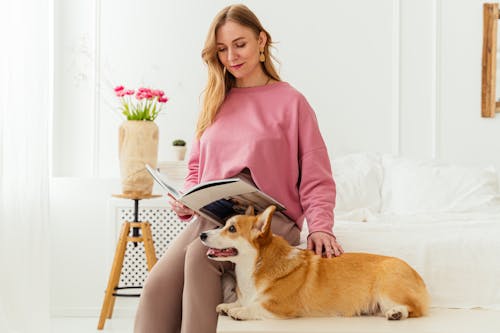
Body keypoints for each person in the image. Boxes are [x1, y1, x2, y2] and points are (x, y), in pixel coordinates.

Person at [134, 4, 343, 333]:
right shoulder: (215, 102)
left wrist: (321, 226)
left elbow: (317, 178)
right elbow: (195, 170)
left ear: (261, 41)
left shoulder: (292, 102)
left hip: (267, 221)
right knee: (157, 286)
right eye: (222, 49)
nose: (231, 56)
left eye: (239, 44)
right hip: (213, 215)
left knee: (200, 257)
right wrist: (184, 200)